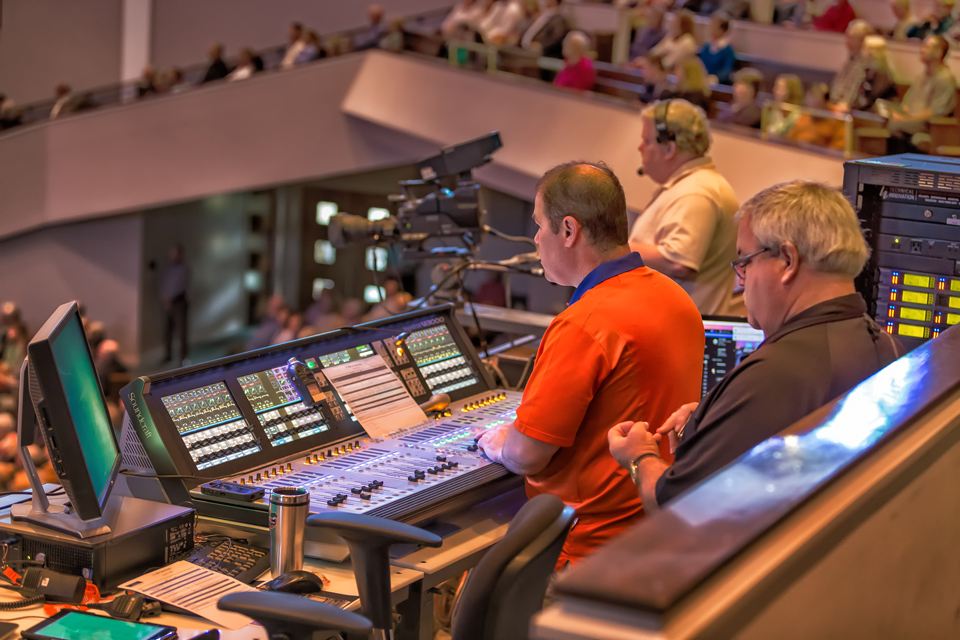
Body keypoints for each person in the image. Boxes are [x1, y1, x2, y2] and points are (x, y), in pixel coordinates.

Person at [608, 181, 903, 509]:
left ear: (788, 261)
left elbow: (677, 505)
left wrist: (640, 457)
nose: (739, 281)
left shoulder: (776, 374)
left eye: (744, 262)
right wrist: (718, 416)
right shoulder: (886, 347)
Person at [478, 161, 704, 567]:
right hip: (656, 532)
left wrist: (500, 444)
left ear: (568, 230)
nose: (535, 238)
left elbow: (527, 454)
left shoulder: (584, 323)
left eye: (539, 226)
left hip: (583, 552)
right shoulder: (677, 299)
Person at [630, 99, 744, 317]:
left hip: (675, 336)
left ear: (669, 148)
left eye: (646, 140)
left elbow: (678, 261)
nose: (640, 147)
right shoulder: (691, 185)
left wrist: (617, 250)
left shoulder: (697, 191)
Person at [880, 35, 957, 150]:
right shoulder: (921, 77)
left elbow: (935, 112)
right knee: (880, 112)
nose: (922, 49)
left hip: (928, 127)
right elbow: (906, 105)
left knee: (894, 125)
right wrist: (895, 112)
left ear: (938, 52)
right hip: (911, 120)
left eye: (927, 47)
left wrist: (904, 119)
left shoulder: (945, 79)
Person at [828, 20, 874, 111]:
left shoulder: (867, 64)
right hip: (835, 104)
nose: (847, 41)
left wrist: (841, 106)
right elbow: (837, 86)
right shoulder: (851, 58)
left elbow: (853, 96)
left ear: (862, 40)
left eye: (851, 38)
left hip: (848, 110)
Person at [787, 83, 847, 150]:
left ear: (826, 103)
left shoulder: (837, 120)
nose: (811, 107)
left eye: (816, 104)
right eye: (809, 104)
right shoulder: (804, 116)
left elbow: (837, 150)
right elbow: (790, 140)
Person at [160, 244, 190, 364]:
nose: (173, 256)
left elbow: (181, 286)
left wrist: (171, 298)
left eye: (175, 253)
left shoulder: (184, 269)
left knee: (181, 331)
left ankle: (183, 357)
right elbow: (163, 284)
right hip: (167, 303)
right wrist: (164, 298)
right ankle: (168, 355)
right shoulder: (167, 269)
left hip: (179, 303)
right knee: (167, 330)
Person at [854, 35, 897, 111]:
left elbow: (874, 98)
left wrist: (854, 109)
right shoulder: (869, 69)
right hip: (867, 109)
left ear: (874, 51)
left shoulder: (882, 73)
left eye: (865, 47)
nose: (862, 50)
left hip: (877, 111)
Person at [698, 12, 736, 85]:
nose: (711, 29)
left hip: (717, 84)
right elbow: (700, 64)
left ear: (722, 29)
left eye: (714, 26)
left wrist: (714, 78)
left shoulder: (727, 50)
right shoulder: (706, 47)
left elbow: (726, 71)